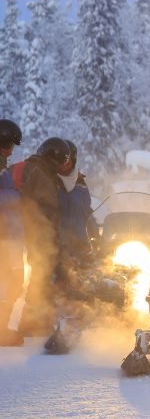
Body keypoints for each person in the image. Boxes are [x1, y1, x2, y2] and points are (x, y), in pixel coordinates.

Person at [11, 137, 70, 336]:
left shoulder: (43, 172)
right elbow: (15, 194)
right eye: (61, 161)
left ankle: (34, 320)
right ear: (53, 157)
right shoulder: (33, 169)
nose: (62, 166)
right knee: (39, 274)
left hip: (34, 229)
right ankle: (29, 322)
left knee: (41, 274)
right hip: (32, 229)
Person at [0, 119, 24, 345]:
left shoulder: (3, 169)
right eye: (9, 145)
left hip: (10, 234)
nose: (10, 151)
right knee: (8, 282)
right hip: (4, 236)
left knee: (13, 281)